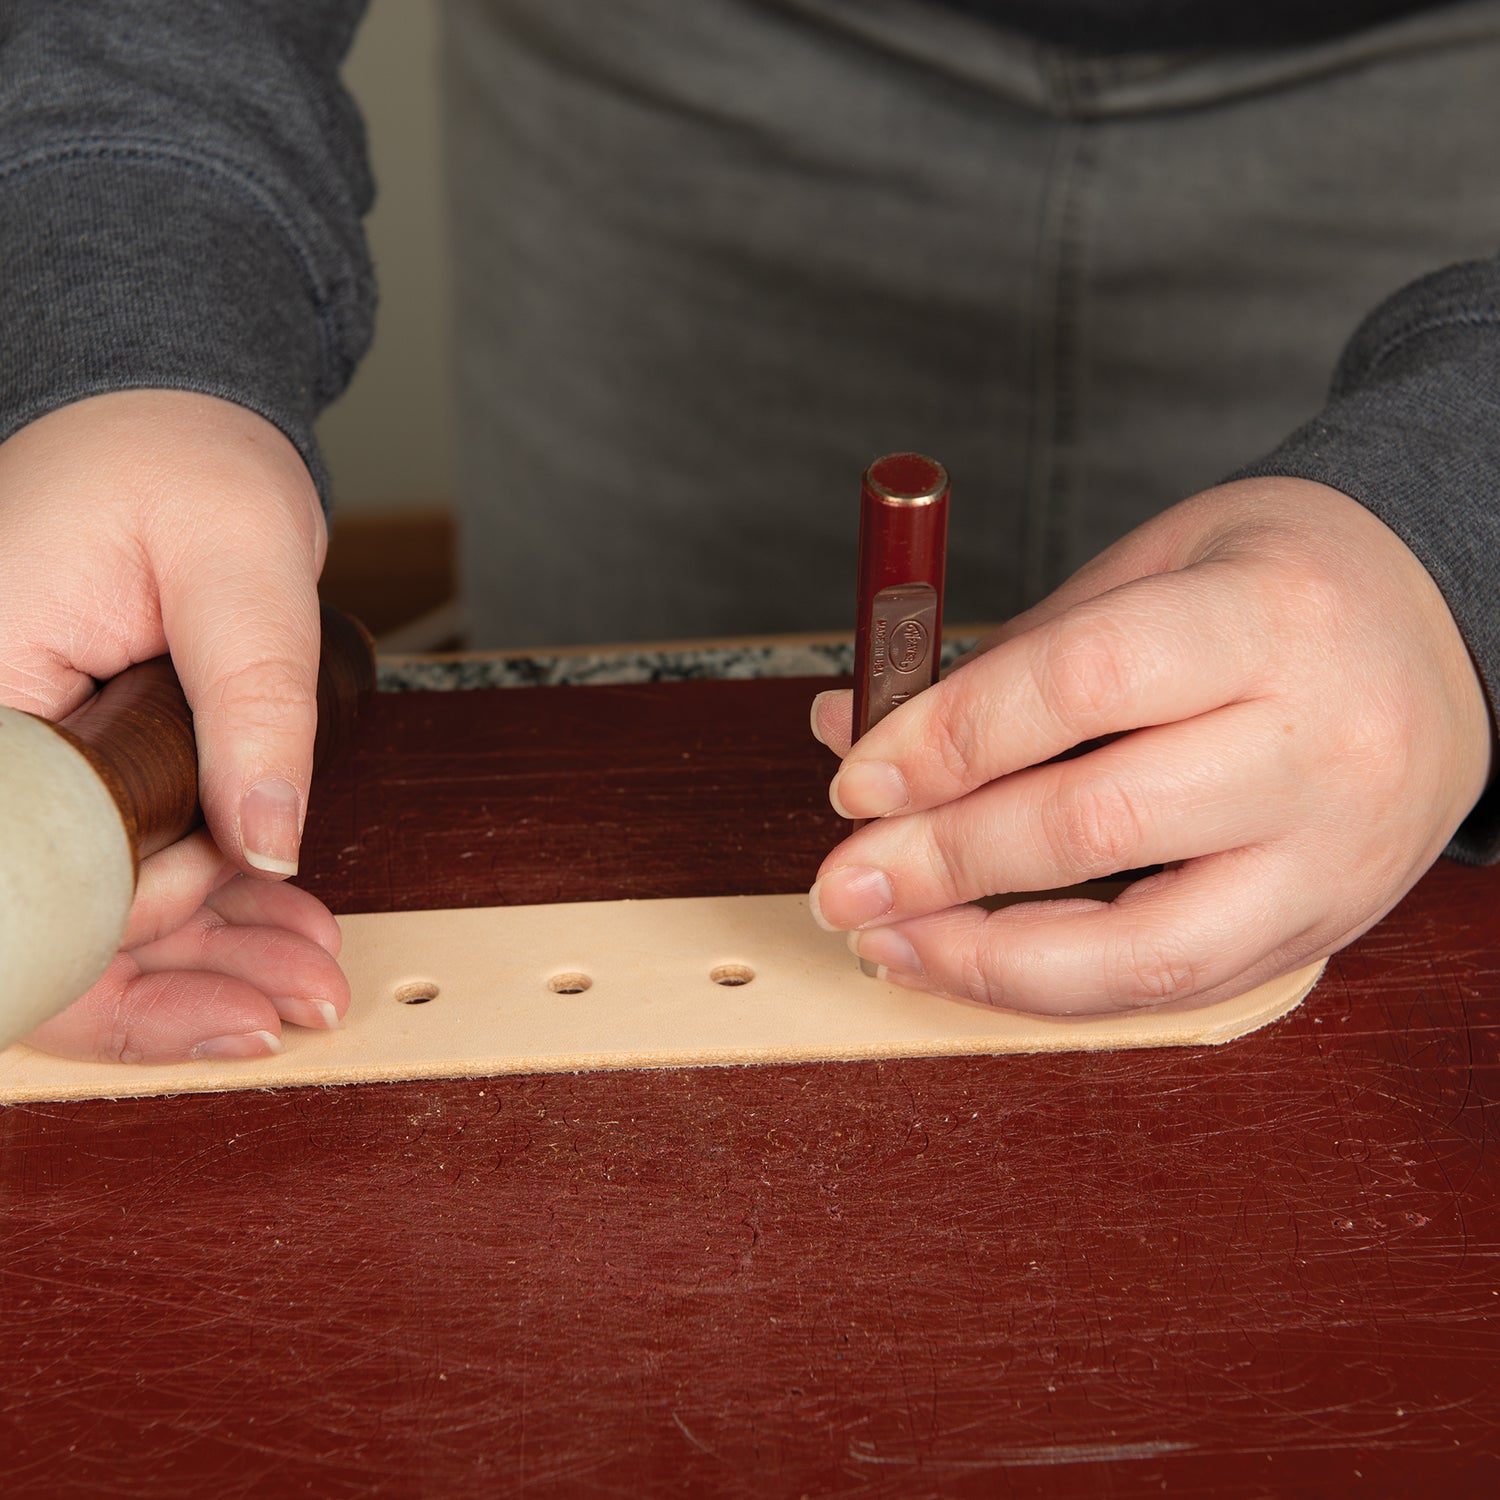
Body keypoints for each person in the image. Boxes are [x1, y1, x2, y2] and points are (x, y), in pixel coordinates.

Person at [0, 0, 1494, 1062]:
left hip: (1442, 114)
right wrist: (124, 332)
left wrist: (1455, 529)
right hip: (671, 73)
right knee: (585, 770)